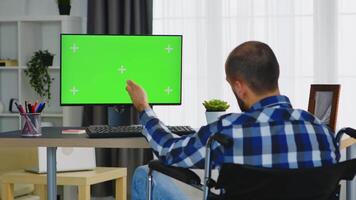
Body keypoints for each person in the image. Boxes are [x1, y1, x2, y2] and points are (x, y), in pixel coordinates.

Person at [126, 41, 340, 200]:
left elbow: (168, 150)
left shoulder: (227, 131)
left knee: (144, 174)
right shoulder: (323, 133)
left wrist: (144, 108)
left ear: (239, 86)